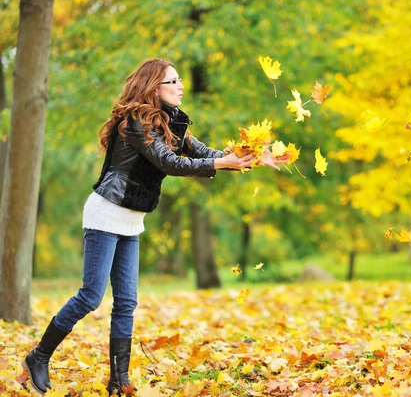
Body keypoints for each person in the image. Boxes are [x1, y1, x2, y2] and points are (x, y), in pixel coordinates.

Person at [20, 58, 288, 396]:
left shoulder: (173, 123)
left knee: (127, 302)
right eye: (173, 81)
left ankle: (119, 381)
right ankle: (39, 356)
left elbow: (206, 153)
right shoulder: (135, 123)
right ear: (153, 88)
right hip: (106, 213)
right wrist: (222, 162)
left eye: (179, 80)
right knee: (91, 297)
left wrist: (250, 157)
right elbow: (170, 163)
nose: (181, 86)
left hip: (132, 219)